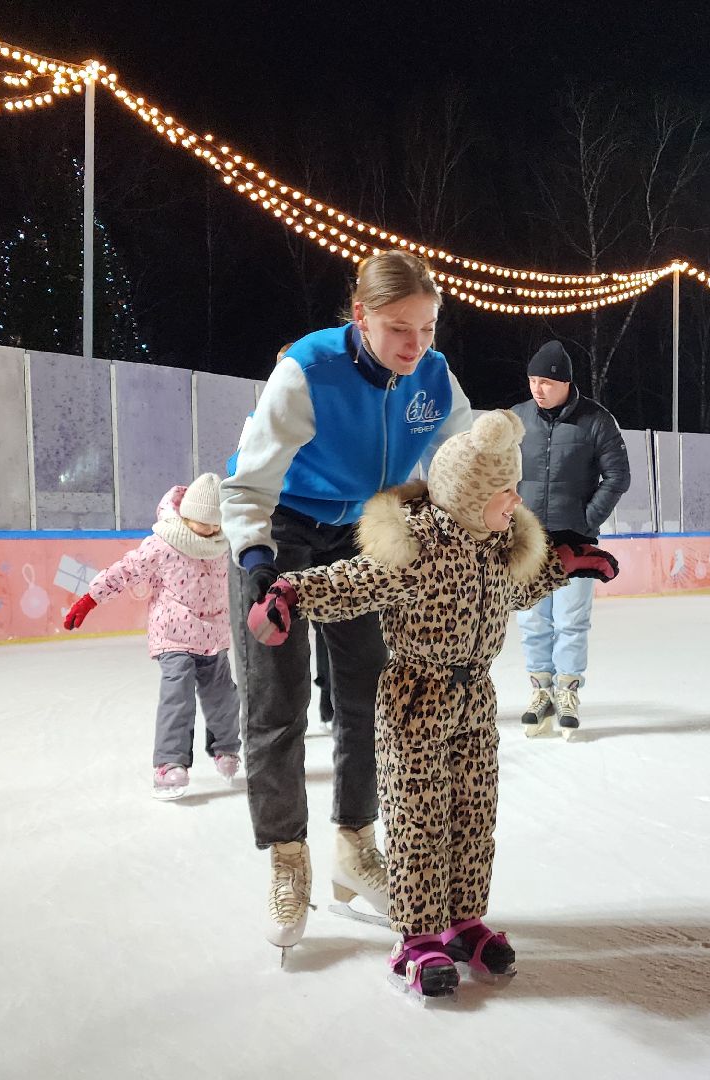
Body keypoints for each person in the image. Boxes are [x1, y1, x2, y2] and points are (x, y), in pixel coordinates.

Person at [246, 412, 620, 996]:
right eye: (505, 491)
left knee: (474, 815)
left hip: (475, 696)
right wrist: (292, 591)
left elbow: (514, 590)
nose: (515, 501)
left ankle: (465, 920)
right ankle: (418, 937)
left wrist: (562, 567)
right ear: (472, 497)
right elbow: (357, 580)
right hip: (416, 698)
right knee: (419, 820)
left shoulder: (495, 543)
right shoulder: (417, 545)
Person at [221, 250, 475, 953]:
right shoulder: (307, 371)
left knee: (370, 695)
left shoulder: (432, 375)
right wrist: (258, 562)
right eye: (398, 327)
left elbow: (463, 463)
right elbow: (247, 487)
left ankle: (355, 848)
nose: (414, 344)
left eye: (426, 327)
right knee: (277, 702)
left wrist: (496, 517)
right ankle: (288, 859)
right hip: (280, 530)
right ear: (359, 316)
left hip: (364, 531)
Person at [63, 475, 238, 801]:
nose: (212, 531)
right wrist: (89, 600)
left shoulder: (221, 543)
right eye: (204, 524)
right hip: (173, 634)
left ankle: (226, 749)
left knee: (223, 697)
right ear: (187, 517)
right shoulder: (164, 543)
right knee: (178, 695)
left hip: (213, 635)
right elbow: (125, 571)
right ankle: (170, 763)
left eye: (217, 525)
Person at [510, 340, 632, 738]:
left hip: (574, 542)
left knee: (572, 620)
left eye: (545, 381)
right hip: (527, 541)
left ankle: (567, 690)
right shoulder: (516, 418)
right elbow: (498, 474)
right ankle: (540, 690)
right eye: (532, 380)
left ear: (565, 382)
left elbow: (618, 477)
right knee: (532, 621)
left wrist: (586, 520)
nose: (537, 389)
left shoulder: (596, 420)